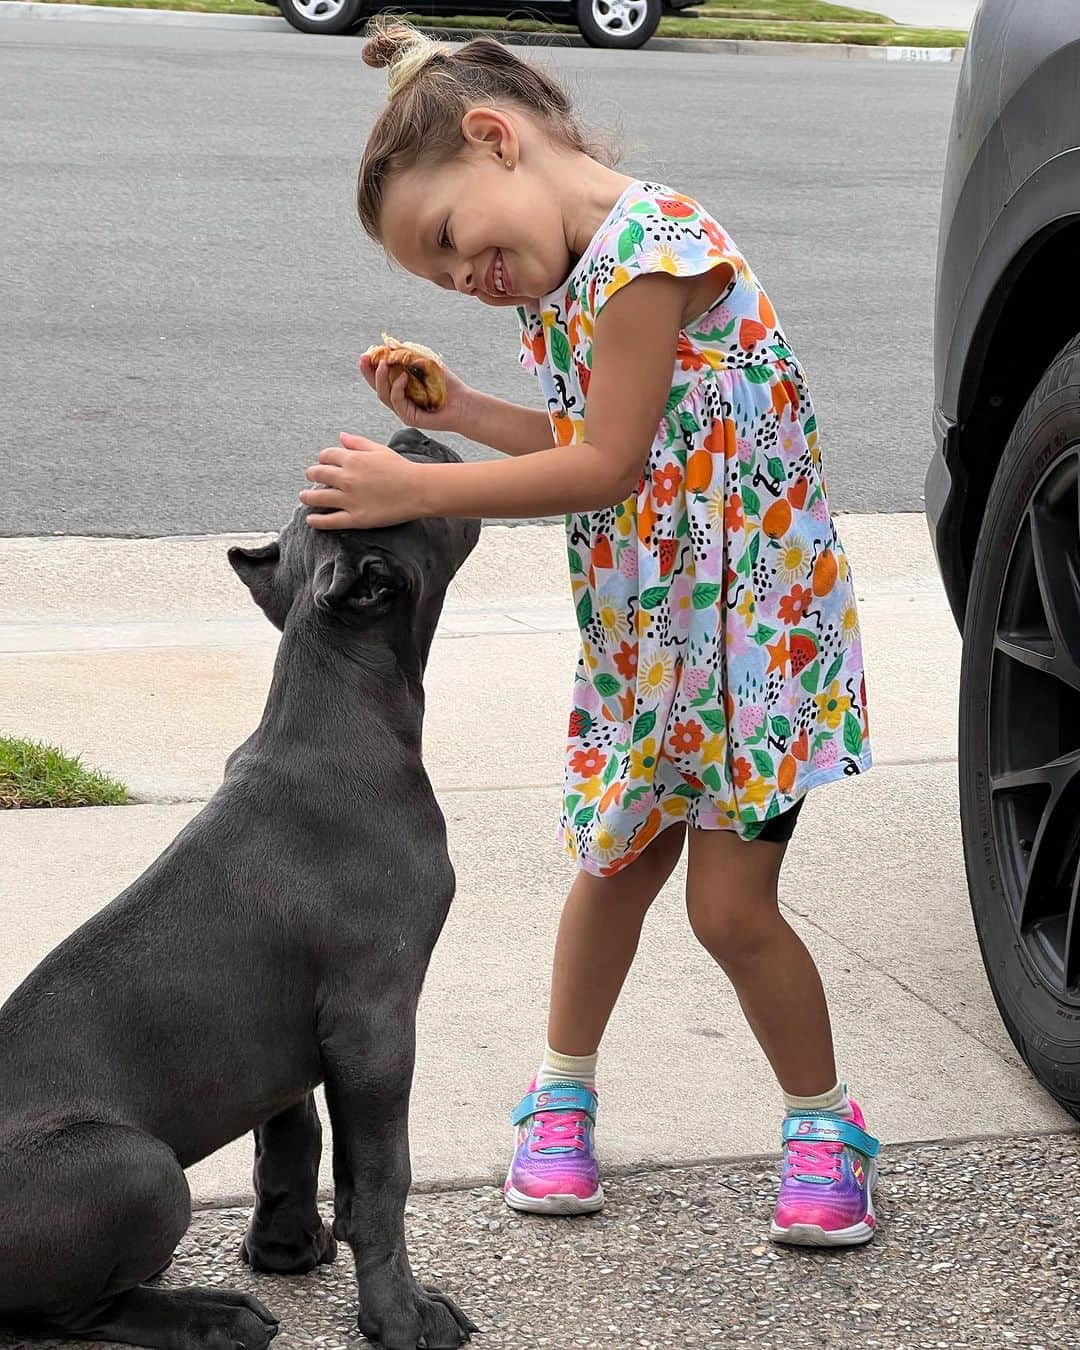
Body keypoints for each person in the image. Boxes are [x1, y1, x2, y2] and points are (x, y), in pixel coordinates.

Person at [299, 18, 879, 1247]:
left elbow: (608, 465)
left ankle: (827, 1124)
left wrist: (415, 487)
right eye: (442, 279)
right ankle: (559, 1095)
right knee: (614, 865)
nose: (467, 279)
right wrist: (457, 414)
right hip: (646, 638)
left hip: (751, 642)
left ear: (495, 140)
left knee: (728, 909)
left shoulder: (655, 251)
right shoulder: (568, 273)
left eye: (450, 241)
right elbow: (585, 440)